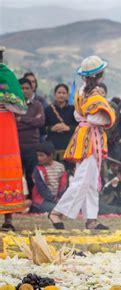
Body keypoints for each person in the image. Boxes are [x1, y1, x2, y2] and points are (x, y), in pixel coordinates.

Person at [48, 55, 116, 230]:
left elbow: (79, 116)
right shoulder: (94, 95)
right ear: (100, 74)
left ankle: (91, 218)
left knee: (91, 179)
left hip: (84, 135)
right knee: (83, 179)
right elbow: (97, 118)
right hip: (91, 138)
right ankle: (57, 212)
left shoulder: (80, 92)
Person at [0, 48, 29, 231]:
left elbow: (21, 107)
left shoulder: (8, 76)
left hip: (4, 125)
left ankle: (8, 219)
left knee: (6, 168)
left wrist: (4, 99)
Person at [17, 77, 45, 193]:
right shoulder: (13, 106)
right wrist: (31, 121)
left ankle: (34, 203)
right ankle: (17, 203)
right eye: (21, 88)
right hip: (16, 146)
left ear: (32, 90)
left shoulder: (37, 105)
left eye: (27, 88)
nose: (24, 91)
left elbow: (40, 122)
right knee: (17, 176)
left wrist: (21, 119)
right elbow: (13, 125)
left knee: (31, 176)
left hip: (33, 147)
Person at [44, 83, 77, 165]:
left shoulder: (73, 110)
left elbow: (79, 127)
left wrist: (68, 128)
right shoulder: (48, 110)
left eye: (64, 93)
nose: (61, 95)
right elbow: (41, 128)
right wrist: (52, 128)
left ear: (67, 95)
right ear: (55, 94)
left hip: (68, 147)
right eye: (59, 93)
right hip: (52, 147)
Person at [31, 143, 68, 213]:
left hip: (57, 198)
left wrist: (60, 198)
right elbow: (41, 188)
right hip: (42, 199)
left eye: (41, 155)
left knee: (65, 207)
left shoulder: (60, 167)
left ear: (50, 156)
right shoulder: (38, 170)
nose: (39, 158)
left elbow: (63, 184)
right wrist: (54, 199)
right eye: (38, 155)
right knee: (57, 209)